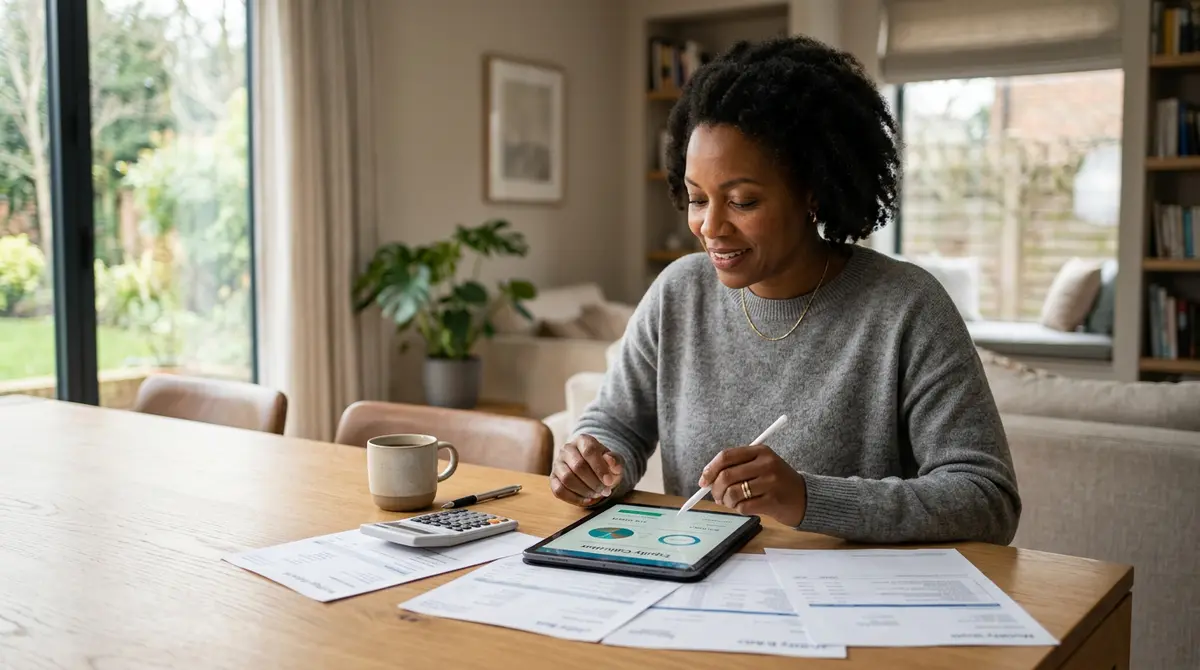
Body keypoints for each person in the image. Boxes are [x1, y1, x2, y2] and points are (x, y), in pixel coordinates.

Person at [549, 35, 1021, 545]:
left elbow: (987, 499)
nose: (711, 227)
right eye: (697, 199)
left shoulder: (906, 306)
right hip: (693, 574)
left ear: (812, 193)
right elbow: (616, 424)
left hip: (844, 589)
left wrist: (808, 498)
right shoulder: (678, 293)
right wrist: (594, 461)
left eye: (743, 201)